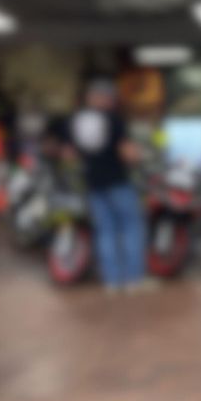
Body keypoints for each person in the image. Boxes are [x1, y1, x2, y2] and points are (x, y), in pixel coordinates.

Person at [67, 79, 149, 294]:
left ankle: (111, 281)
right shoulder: (113, 119)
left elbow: (72, 153)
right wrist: (138, 155)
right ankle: (133, 280)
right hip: (118, 182)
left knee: (105, 232)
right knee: (132, 228)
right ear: (106, 98)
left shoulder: (78, 122)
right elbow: (128, 153)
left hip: (93, 184)